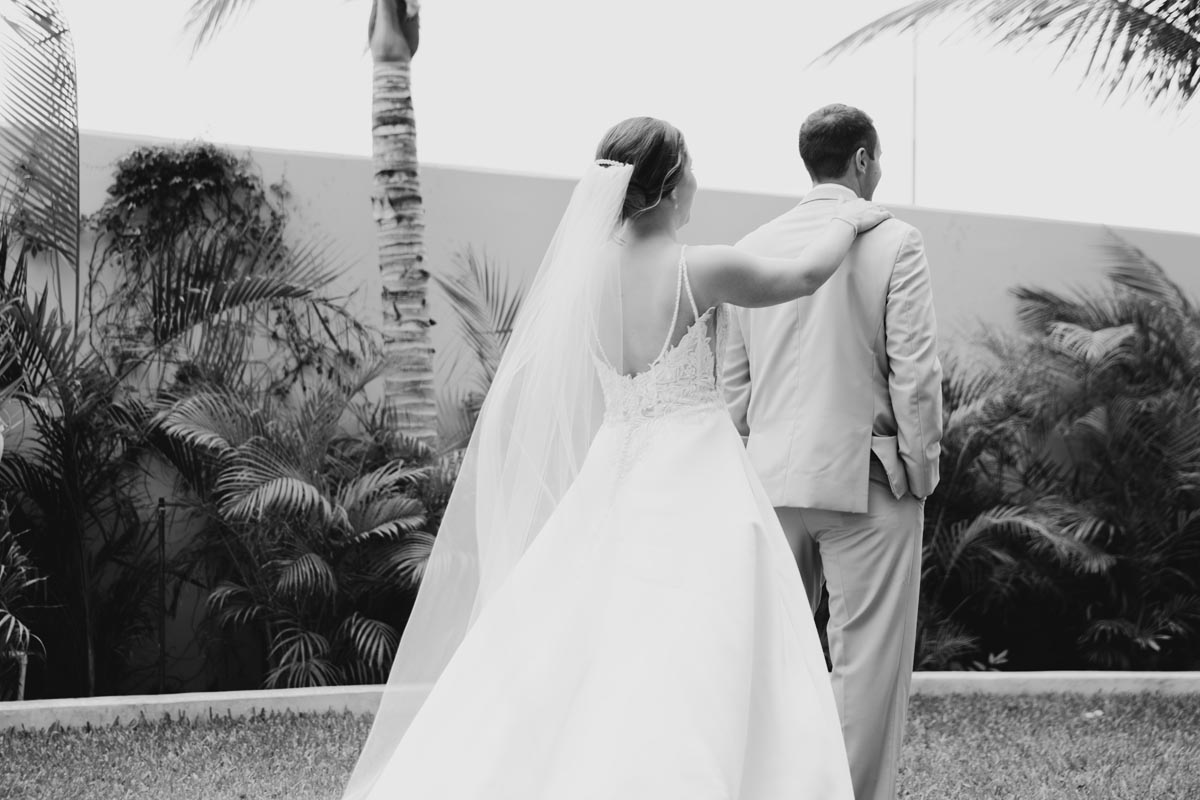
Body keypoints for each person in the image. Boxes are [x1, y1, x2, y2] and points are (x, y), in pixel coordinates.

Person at [342, 116, 891, 800]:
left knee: (592, 627)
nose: (697, 182)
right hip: (695, 472)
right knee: (693, 639)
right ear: (669, 187)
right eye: (691, 169)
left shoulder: (584, 278)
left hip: (614, 466)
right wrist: (850, 215)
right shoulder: (700, 267)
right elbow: (805, 275)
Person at [724, 103, 944, 800]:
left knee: (773, 667)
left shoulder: (754, 244)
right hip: (867, 481)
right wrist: (921, 472)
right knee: (866, 675)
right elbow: (915, 373)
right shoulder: (897, 240)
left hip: (769, 484)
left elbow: (734, 387)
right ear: (862, 159)